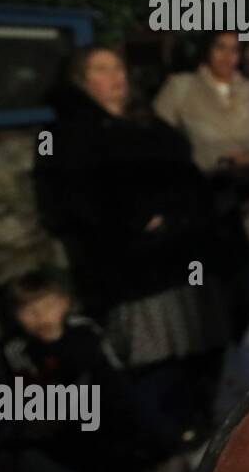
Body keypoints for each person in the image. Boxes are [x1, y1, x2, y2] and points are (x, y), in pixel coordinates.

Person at [33, 45, 228, 375]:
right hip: (130, 262)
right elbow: (65, 198)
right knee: (152, 357)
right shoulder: (63, 134)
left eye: (118, 68)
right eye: (101, 69)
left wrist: (185, 211)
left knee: (198, 343)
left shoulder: (149, 120)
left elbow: (186, 173)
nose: (115, 77)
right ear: (81, 79)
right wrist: (134, 221)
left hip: (182, 250)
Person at [0, 270, 189, 472]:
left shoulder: (83, 331)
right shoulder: (16, 350)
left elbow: (110, 372)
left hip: (103, 403)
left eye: (47, 306)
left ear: (64, 302)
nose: (40, 316)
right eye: (29, 311)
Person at [153, 30, 249, 334]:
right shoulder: (181, 88)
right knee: (217, 284)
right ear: (206, 51)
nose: (228, 57)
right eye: (221, 48)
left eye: (235, 50)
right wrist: (212, 162)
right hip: (205, 199)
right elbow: (158, 142)